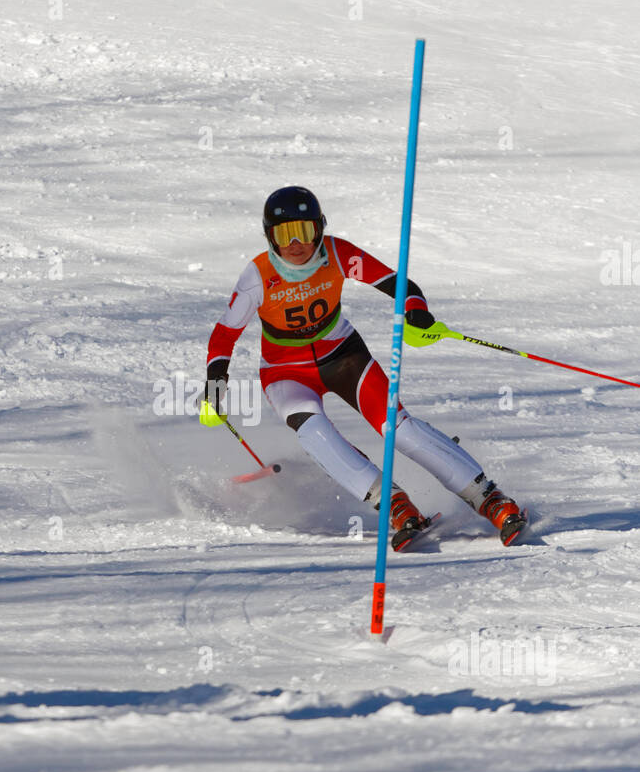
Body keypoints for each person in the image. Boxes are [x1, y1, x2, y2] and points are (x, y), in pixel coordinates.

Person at [200, 186, 525, 549]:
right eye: (283, 234)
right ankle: (394, 505)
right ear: (269, 237)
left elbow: (397, 283)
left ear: (320, 228)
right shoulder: (257, 276)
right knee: (314, 433)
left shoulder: (338, 253)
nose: (296, 244)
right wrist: (215, 386)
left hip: (345, 358)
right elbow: (224, 335)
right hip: (285, 373)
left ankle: (488, 497)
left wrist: (416, 310)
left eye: (304, 231)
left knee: (399, 429)